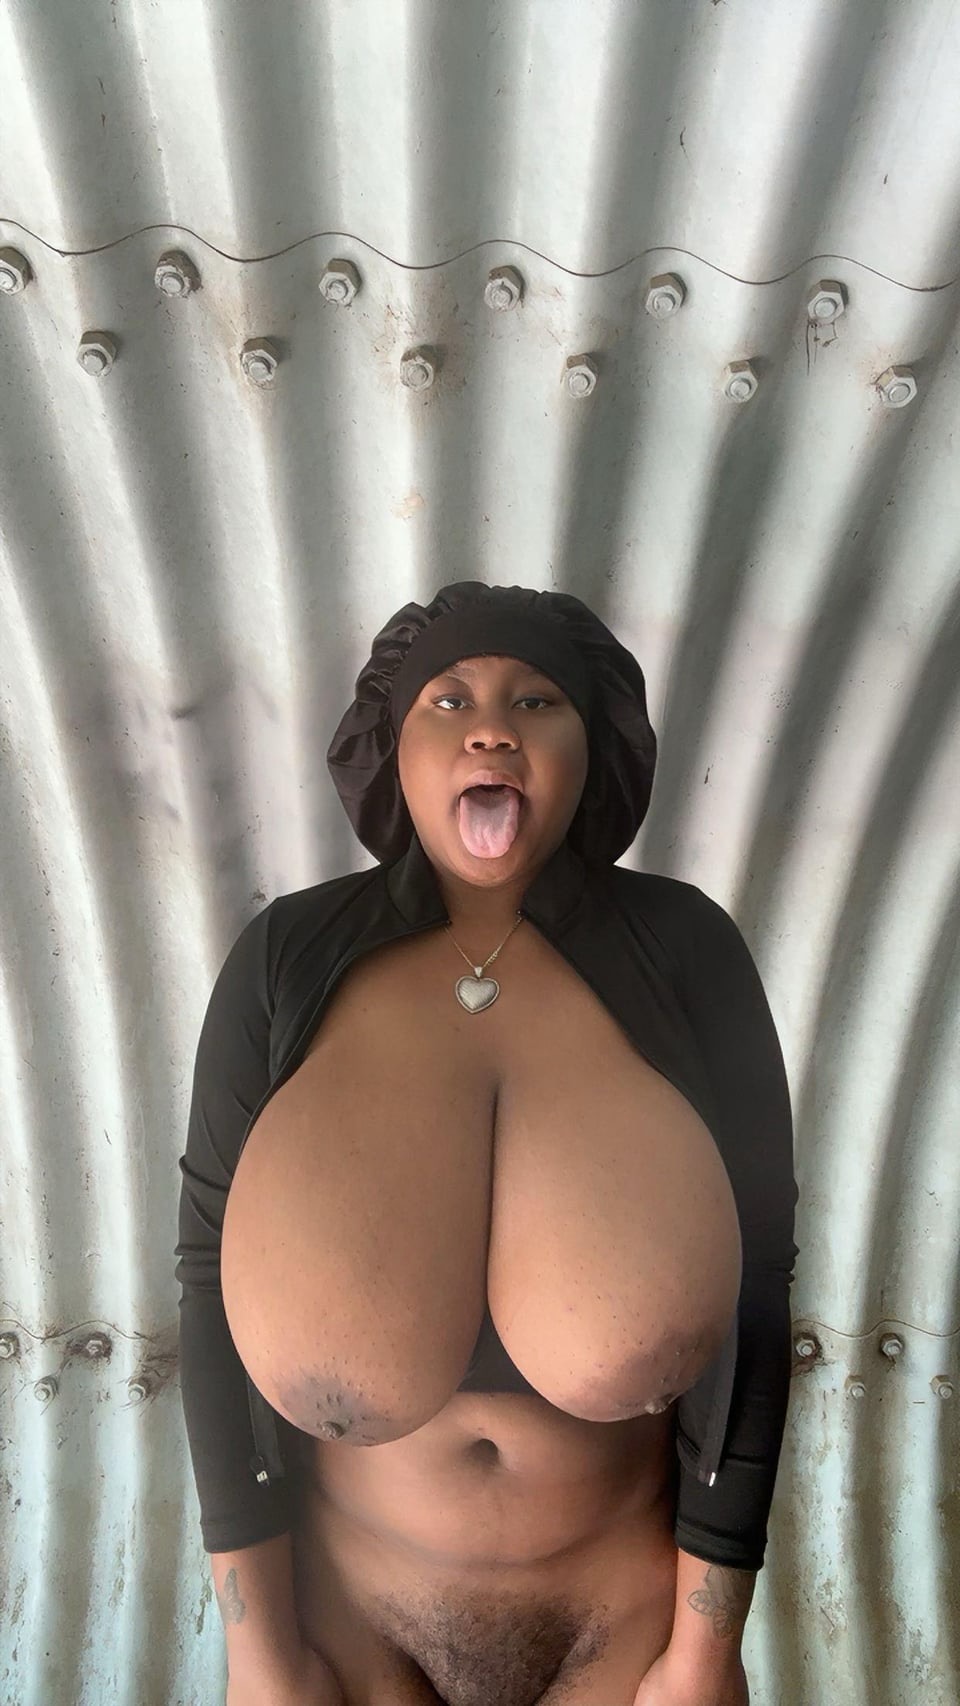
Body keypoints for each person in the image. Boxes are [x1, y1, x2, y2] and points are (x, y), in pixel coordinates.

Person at [175, 580, 799, 1706]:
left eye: (537, 701)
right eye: (449, 699)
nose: (492, 727)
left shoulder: (686, 949)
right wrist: (257, 1654)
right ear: (394, 745)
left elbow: (758, 1289)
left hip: (623, 1631)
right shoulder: (287, 957)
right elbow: (207, 1286)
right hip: (348, 1628)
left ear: (593, 747)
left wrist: (707, 1650)